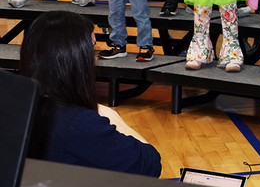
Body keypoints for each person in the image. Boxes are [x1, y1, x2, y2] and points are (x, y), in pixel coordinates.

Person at [21, 11, 161, 177]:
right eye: (92, 49)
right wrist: (115, 119)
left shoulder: (17, 105)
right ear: (75, 58)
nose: (94, 59)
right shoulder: (76, 122)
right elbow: (149, 164)